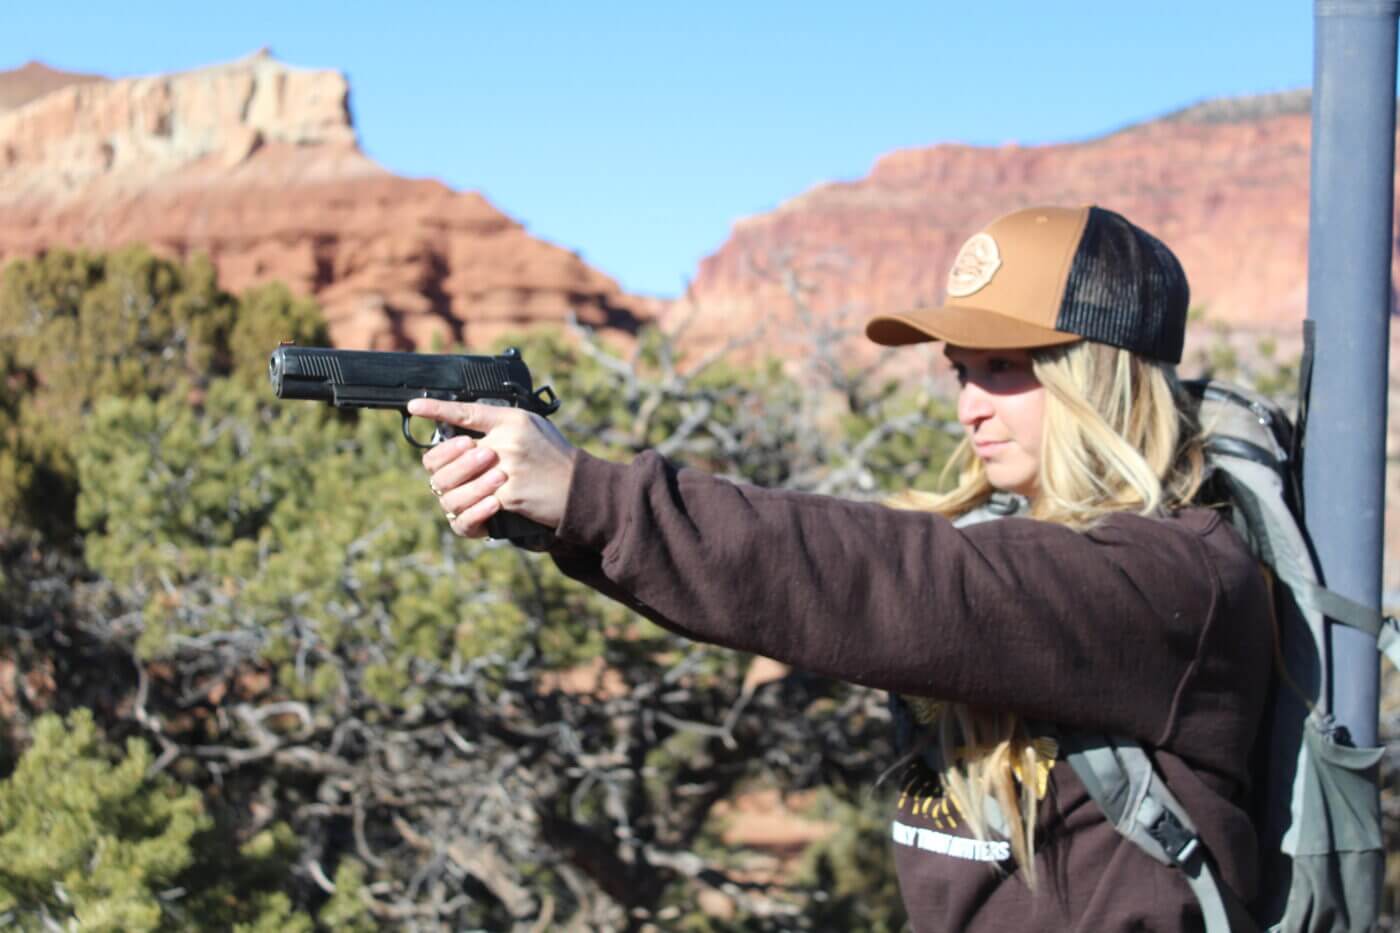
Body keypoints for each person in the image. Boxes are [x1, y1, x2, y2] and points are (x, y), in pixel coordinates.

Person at [406, 205, 1273, 932]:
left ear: (1099, 374)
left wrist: (595, 497)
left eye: (1005, 368)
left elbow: (895, 581)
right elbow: (798, 594)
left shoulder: (1174, 579)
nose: (970, 406)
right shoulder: (1010, 537)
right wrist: (564, 523)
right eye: (962, 371)